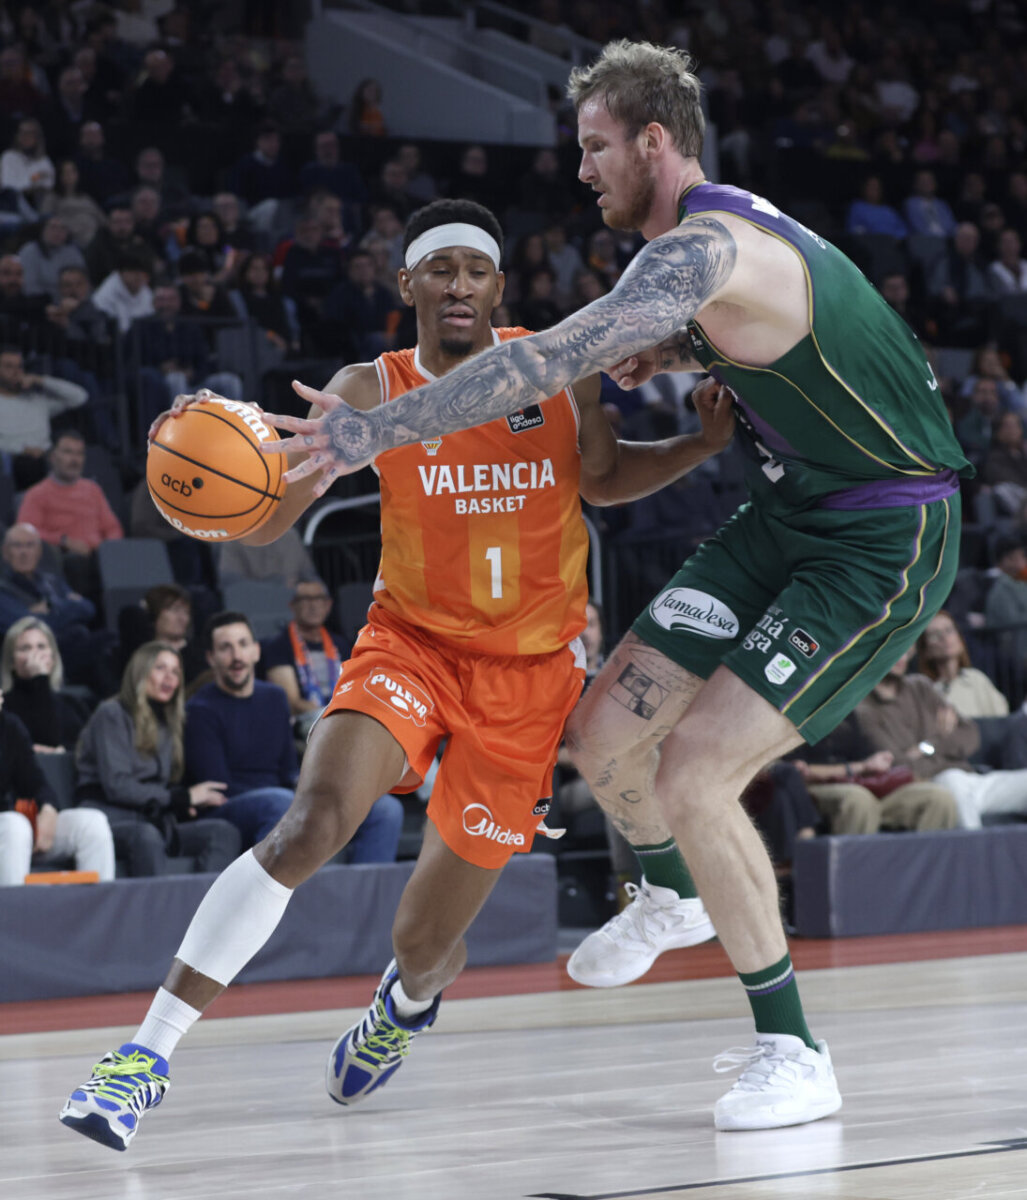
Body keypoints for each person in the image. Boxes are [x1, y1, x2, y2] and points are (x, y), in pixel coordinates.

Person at [260, 42, 974, 1131]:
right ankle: (671, 895)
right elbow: (753, 328)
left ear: (653, 140)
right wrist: (683, 351)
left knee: (692, 772)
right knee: (599, 736)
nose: (582, 169)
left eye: (595, 146)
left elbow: (541, 359)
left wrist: (377, 428)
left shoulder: (702, 248)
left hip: (878, 537)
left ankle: (792, 1050)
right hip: (788, 510)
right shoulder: (714, 250)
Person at [60, 195, 734, 1149]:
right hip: (409, 647)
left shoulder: (559, 367)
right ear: (406, 281)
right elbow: (273, 506)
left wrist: (701, 446)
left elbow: (602, 476)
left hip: (529, 681)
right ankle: (143, 1057)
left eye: (474, 269)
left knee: (424, 946)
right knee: (312, 824)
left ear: (498, 287)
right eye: (439, 268)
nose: (457, 284)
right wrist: (206, 461)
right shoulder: (368, 390)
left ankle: (402, 1008)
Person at [74, 641, 240, 877]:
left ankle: (203, 911)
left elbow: (161, 785)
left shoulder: (168, 720)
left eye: (175, 671)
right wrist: (181, 797)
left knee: (224, 832)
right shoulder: (111, 714)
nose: (170, 677)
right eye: (160, 668)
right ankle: (160, 913)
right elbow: (117, 786)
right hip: (108, 817)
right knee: (146, 837)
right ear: (140, 672)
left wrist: (184, 804)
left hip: (153, 819)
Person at [856, 649, 1027, 829]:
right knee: (952, 783)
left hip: (971, 778)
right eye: (895, 648)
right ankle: (977, 854)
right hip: (932, 783)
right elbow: (899, 764)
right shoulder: (864, 708)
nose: (902, 655)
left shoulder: (920, 686)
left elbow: (970, 734)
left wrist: (925, 747)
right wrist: (941, 737)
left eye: (905, 648)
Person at [183, 612, 300, 849]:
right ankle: (263, 887)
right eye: (225, 648)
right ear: (211, 658)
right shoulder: (200, 708)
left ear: (256, 651)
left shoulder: (276, 697)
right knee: (280, 803)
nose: (236, 656)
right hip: (230, 806)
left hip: (280, 797)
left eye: (243, 645)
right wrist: (287, 797)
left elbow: (290, 769)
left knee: (383, 810)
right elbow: (218, 787)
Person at [0, 693, 115, 886]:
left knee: (92, 824)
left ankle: (98, 914)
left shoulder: (8, 726)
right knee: (15, 827)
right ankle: (13, 915)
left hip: (9, 831)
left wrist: (48, 809)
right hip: (10, 829)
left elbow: (36, 782)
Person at [262, 578, 350, 738]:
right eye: (306, 599)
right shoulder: (278, 646)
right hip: (304, 723)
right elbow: (292, 703)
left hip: (341, 717)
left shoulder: (341, 644)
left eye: (319, 599)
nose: (313, 605)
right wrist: (332, 718)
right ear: (292, 605)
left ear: (328, 605)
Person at [0, 345, 88, 488]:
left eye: (19, 367)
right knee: (27, 464)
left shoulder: (38, 400)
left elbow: (80, 397)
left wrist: (40, 380)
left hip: (48, 460)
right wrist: (22, 449)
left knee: (73, 457)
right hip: (15, 460)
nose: (16, 372)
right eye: (9, 367)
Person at [0, 616, 89, 751]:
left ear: (53, 657)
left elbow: (88, 748)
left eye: (41, 647)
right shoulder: (5, 706)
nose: (35, 655)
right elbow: (47, 739)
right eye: (25, 648)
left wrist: (65, 751)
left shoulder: (72, 703)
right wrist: (39, 680)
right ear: (11, 661)